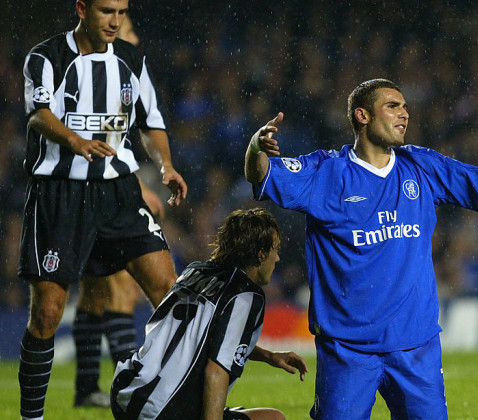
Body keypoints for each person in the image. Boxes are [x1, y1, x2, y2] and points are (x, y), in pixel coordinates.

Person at [245, 78, 478, 419]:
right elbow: (262, 174)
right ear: (362, 115)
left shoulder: (420, 165)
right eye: (393, 106)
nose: (404, 114)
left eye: (405, 107)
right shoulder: (325, 172)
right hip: (347, 350)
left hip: (416, 346)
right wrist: (255, 148)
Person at [18, 1, 187, 419]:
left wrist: (166, 165)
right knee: (48, 314)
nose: (115, 20)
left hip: (119, 194)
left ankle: (167, 400)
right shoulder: (46, 57)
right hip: (61, 194)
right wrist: (75, 142)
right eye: (106, 11)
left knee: (169, 292)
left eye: (122, 11)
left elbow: (151, 121)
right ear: (81, 9)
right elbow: (38, 116)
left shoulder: (131, 59)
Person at [111, 208, 308, 420]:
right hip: (163, 410)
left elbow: (209, 338)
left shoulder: (194, 272)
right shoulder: (244, 294)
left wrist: (269, 356)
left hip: (126, 395)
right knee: (274, 419)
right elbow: (216, 372)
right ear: (261, 254)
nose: (277, 258)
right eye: (275, 250)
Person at [71, 13, 161, 409]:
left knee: (93, 292)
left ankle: (87, 386)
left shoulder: (117, 70)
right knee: (121, 289)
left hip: (86, 193)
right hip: (99, 192)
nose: (134, 36)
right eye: (126, 29)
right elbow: (99, 136)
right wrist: (139, 187)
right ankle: (130, 385)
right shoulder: (100, 70)